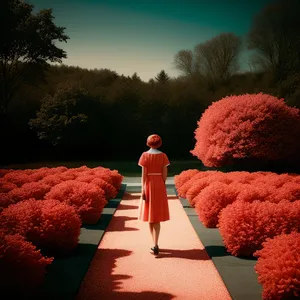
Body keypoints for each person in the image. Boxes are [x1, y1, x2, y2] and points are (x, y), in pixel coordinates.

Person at [137, 134, 170, 256]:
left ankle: (154, 244)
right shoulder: (163, 156)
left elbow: (143, 175)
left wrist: (143, 190)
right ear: (160, 143)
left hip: (148, 184)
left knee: (150, 215)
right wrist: (161, 185)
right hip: (159, 185)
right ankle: (155, 243)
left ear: (148, 143)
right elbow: (164, 175)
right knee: (156, 216)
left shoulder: (144, 155)